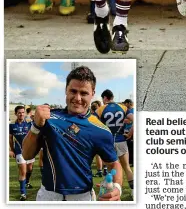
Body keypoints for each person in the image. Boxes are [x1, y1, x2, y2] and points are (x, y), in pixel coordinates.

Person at [22, 66, 122, 201]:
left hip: (82, 197)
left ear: (93, 93)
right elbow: (26, 154)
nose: (78, 98)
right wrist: (35, 126)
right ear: (66, 90)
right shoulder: (49, 118)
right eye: (73, 91)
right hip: (48, 196)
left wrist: (117, 187)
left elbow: (114, 164)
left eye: (84, 93)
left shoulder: (101, 130)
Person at [97, 90, 134, 198]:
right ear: (112, 97)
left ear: (105, 98)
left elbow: (93, 122)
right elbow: (134, 120)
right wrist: (131, 132)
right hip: (121, 140)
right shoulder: (123, 107)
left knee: (111, 169)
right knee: (126, 167)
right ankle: (133, 191)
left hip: (107, 142)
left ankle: (112, 192)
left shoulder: (101, 109)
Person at [9, 106, 35, 200]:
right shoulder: (11, 126)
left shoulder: (29, 124)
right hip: (19, 152)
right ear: (16, 113)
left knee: (30, 168)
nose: (21, 114)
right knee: (23, 171)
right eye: (19, 112)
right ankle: (23, 193)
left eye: (23, 112)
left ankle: (27, 182)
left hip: (30, 151)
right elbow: (10, 139)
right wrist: (11, 150)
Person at [122, 98, 134, 167]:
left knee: (131, 146)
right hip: (128, 130)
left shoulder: (131, 111)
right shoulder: (128, 111)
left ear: (129, 103)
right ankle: (130, 161)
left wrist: (125, 120)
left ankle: (132, 161)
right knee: (129, 147)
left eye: (125, 103)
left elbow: (129, 121)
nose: (124, 105)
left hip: (130, 130)